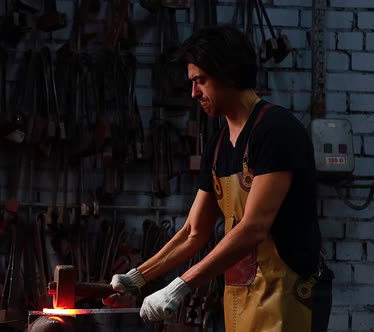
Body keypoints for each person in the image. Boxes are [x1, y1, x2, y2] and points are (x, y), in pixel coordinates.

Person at [106, 25, 332, 332]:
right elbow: (192, 232)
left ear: (227, 75)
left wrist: (180, 285)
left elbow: (253, 228)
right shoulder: (217, 147)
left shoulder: (277, 130)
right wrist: (138, 277)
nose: (193, 93)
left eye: (201, 80)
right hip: (241, 297)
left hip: (289, 295)